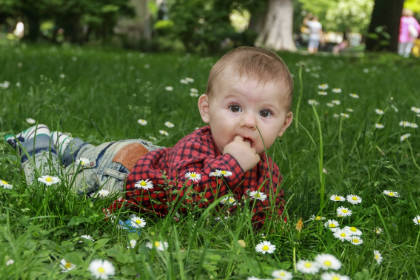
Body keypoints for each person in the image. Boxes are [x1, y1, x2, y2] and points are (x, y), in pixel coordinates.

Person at [6, 46, 294, 226]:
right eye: (235, 107)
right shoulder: (196, 145)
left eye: (265, 113)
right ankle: (37, 142)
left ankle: (68, 144)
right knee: (52, 191)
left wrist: (279, 227)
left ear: (283, 125)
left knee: (88, 154)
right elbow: (184, 197)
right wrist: (231, 164)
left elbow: (265, 213)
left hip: (142, 154)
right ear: (206, 109)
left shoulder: (267, 172)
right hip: (120, 173)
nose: (248, 122)